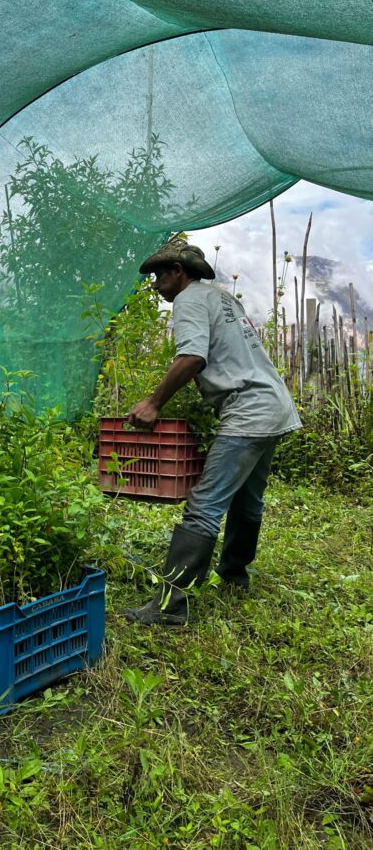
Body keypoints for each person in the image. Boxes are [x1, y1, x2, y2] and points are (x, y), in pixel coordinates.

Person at [123, 238, 301, 626]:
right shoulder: (222, 297)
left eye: (159, 275)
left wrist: (153, 402)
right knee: (247, 500)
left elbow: (192, 357)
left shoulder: (189, 299)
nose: (156, 284)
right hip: (273, 405)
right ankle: (234, 575)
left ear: (178, 272)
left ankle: (170, 608)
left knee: (203, 507)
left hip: (248, 411)